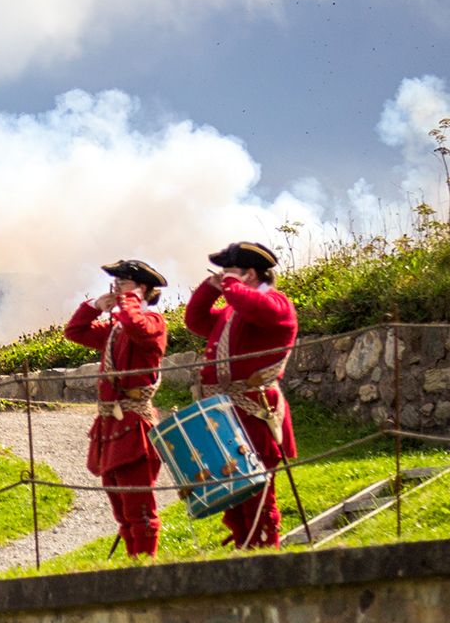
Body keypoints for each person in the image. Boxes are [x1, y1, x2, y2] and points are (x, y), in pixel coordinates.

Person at [185, 239, 299, 550]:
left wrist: (233, 286)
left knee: (259, 495)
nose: (225, 280)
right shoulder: (232, 310)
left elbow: (255, 307)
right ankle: (242, 548)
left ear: (250, 274)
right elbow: (194, 320)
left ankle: (264, 552)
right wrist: (210, 288)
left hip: (254, 411)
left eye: (231, 272)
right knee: (233, 494)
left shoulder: (276, 304)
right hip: (227, 412)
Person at [63, 260, 170, 558]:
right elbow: (75, 331)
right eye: (117, 284)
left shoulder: (153, 323)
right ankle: (133, 563)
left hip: (135, 422)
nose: (117, 289)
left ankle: (145, 564)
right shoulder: (116, 329)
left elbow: (138, 327)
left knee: (140, 507)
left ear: (143, 289)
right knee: (121, 507)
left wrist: (131, 300)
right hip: (111, 422)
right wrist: (97, 304)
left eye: (123, 284)